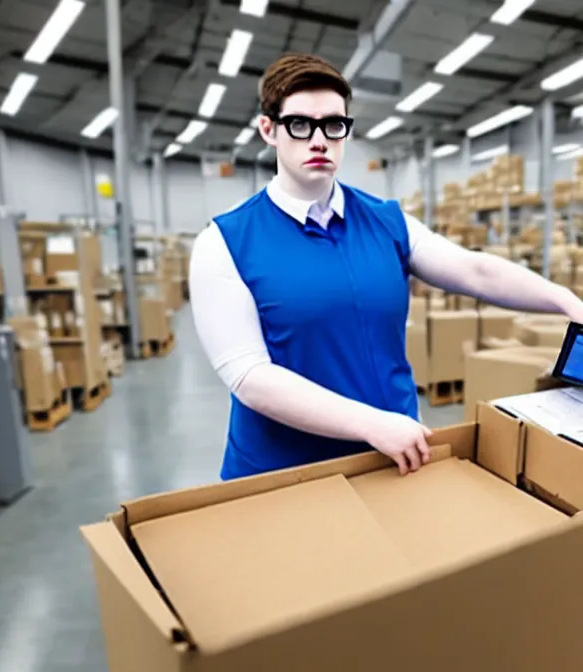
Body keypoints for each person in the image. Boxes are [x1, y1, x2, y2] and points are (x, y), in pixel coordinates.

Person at [189, 52, 583, 481]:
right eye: (300, 125)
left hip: (393, 460)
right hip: (284, 474)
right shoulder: (225, 242)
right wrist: (371, 423)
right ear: (269, 129)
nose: (319, 141)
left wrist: (565, 300)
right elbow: (250, 377)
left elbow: (474, 271)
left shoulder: (386, 221)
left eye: (333, 126)